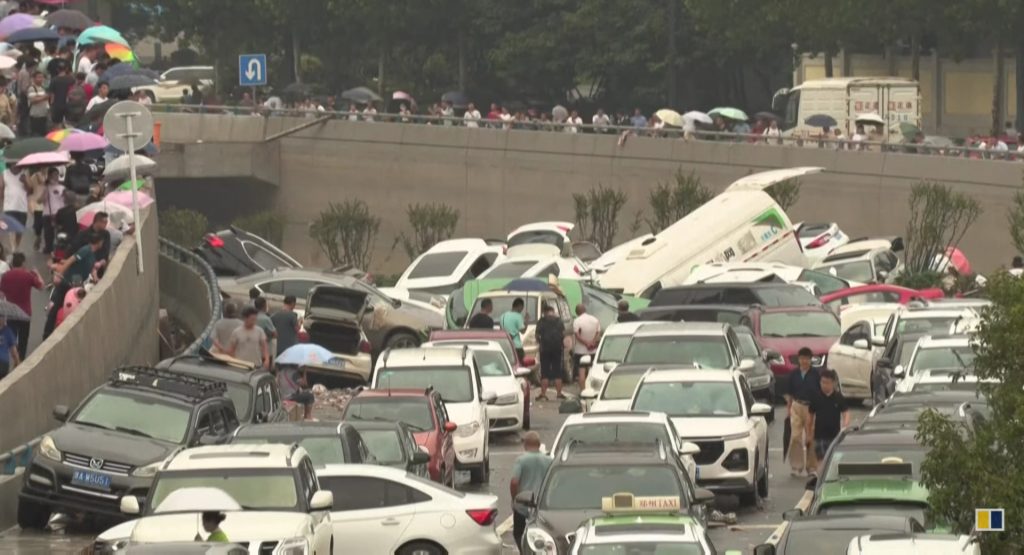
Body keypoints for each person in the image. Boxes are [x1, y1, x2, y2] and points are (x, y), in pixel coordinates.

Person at [44, 232, 103, 338]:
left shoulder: (92, 255)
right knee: (57, 306)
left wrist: (96, 279)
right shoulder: (86, 250)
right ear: (99, 242)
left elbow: (91, 269)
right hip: (67, 282)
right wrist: (60, 274)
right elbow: (71, 260)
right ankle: (47, 334)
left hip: (76, 285)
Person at [510, 431, 552, 552]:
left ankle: (524, 552)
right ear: (539, 444)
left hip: (523, 505)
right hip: (542, 504)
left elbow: (514, 482)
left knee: (518, 532)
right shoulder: (549, 460)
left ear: (525, 444)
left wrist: (515, 499)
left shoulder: (521, 460)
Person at [786, 347, 822, 477]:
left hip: (811, 408)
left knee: (810, 437)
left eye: (807, 359)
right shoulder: (794, 374)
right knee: (795, 436)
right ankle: (796, 466)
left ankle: (811, 467)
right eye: (802, 359)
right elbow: (790, 393)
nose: (804, 361)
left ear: (810, 360)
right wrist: (788, 408)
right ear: (799, 359)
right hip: (796, 405)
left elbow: (821, 392)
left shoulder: (816, 374)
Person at [0, 252, 42, 359]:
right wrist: (37, 273)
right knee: (23, 340)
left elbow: (1, 294)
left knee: (11, 340)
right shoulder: (28, 275)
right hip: (25, 313)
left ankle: (13, 359)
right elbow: (41, 286)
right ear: (23, 263)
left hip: (10, 313)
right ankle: (20, 360)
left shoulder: (6, 276)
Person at [807, 369, 850, 471]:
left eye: (827, 383)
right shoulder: (816, 397)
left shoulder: (838, 397)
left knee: (834, 461)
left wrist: (845, 426)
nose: (824, 385)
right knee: (821, 461)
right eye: (822, 382)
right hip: (819, 436)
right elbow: (810, 416)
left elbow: (846, 413)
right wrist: (809, 433)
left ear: (833, 383)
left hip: (834, 435)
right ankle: (821, 482)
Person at [534, 303, 565, 401]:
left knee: (545, 372)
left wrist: (540, 342)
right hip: (557, 349)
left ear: (545, 312)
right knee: (557, 371)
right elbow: (563, 333)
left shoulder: (541, 321)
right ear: (552, 311)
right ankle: (559, 394)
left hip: (545, 349)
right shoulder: (559, 321)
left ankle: (543, 394)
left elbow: (537, 335)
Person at [572, 303, 601, 390]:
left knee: (582, 372)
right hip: (593, 350)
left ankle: (583, 391)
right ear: (585, 310)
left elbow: (577, 335)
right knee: (592, 371)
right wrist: (592, 342)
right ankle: (592, 389)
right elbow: (598, 332)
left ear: (577, 312)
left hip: (580, 351)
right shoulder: (595, 319)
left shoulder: (577, 321)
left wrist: (586, 343)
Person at [2, 166, 29, 251]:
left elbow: (30, 190)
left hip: (22, 206)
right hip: (9, 206)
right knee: (11, 228)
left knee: (20, 230)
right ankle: (13, 249)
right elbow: (1, 189)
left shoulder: (25, 172)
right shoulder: (4, 173)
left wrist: (25, 181)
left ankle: (17, 247)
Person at [27, 70, 49, 136]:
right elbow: (33, 100)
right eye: (39, 77)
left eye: (42, 77)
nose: (41, 79)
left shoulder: (43, 88)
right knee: (35, 134)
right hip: (35, 115)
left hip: (44, 114)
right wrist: (44, 97)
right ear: (34, 78)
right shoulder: (32, 88)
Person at [0, 316, 20, 380]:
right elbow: (14, 352)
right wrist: (17, 363)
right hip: (3, 363)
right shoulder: (8, 331)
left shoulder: (8, 331)